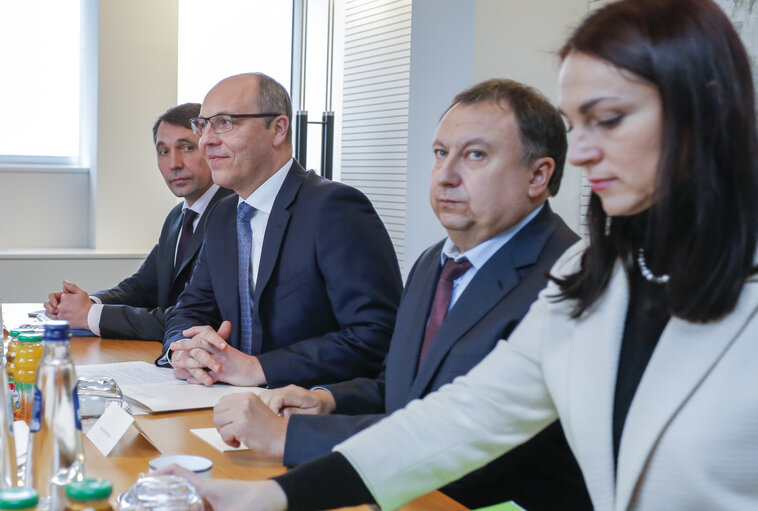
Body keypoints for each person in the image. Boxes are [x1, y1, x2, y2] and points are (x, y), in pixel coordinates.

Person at [159, 0, 758, 509]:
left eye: (607, 120)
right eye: (575, 124)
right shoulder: (588, 276)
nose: (581, 152)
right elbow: (460, 420)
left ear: (702, 110)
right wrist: (266, 498)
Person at [211, 79, 590, 510]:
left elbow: (481, 441)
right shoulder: (434, 263)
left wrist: (293, 438)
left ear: (538, 175)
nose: (446, 176)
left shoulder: (568, 279)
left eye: (476, 156)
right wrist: (327, 400)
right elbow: (401, 390)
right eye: (441, 153)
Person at [160, 73, 402, 389]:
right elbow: (190, 309)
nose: (206, 141)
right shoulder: (222, 214)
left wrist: (259, 368)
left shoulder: (334, 207)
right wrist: (183, 350)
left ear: (278, 129)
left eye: (224, 123)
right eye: (203, 125)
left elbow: (376, 333)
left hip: (311, 410)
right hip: (222, 401)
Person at [43, 103, 233, 341]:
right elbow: (141, 287)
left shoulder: (232, 214)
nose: (174, 163)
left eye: (186, 147)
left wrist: (92, 315)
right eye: (163, 151)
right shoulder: (178, 217)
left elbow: (203, 317)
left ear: (210, 148)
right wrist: (84, 303)